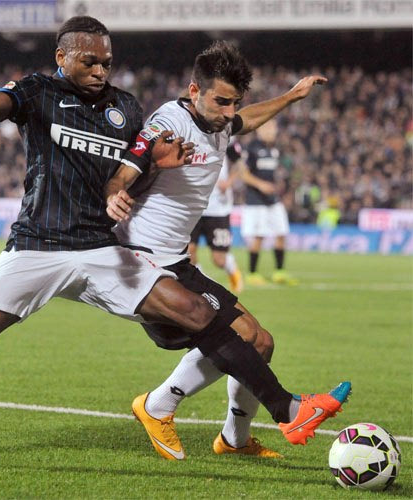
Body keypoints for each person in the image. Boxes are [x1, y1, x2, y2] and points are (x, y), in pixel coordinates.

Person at [0, 19, 348, 467]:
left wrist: (148, 170)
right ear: (62, 56)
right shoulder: (36, 92)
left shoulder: (126, 109)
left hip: (99, 248)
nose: (100, 70)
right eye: (90, 61)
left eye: (106, 62)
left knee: (196, 311)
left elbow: (136, 162)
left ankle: (285, 409)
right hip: (36, 245)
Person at [106, 41, 350, 460]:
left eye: (234, 102)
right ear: (194, 90)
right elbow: (126, 169)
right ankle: (158, 405)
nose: (228, 111)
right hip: (144, 261)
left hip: (175, 260)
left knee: (261, 342)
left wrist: (291, 96)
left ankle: (234, 440)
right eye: (221, 101)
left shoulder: (220, 120)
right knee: (239, 337)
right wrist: (115, 194)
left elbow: (245, 120)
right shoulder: (168, 123)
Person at [240, 119, 297, 286]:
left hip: (273, 199)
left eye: (274, 127)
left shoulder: (274, 149)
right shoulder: (251, 148)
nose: (273, 131)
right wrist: (261, 185)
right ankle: (252, 273)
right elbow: (243, 174)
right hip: (256, 200)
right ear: (260, 129)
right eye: (269, 127)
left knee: (281, 232)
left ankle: (279, 272)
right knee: (259, 236)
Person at [188, 141, 244, 293]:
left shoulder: (225, 140)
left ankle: (233, 270)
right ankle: (202, 284)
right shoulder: (189, 136)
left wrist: (229, 182)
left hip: (218, 209)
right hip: (194, 207)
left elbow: (240, 164)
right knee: (189, 252)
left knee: (219, 259)